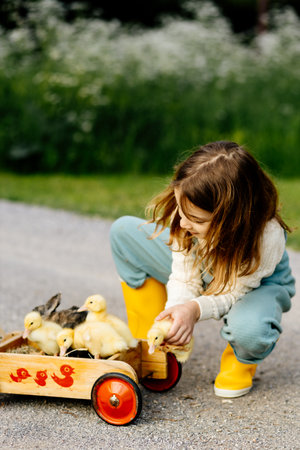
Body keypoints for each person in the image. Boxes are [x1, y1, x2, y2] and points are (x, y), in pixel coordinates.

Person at [110, 141, 295, 398]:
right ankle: (151, 343)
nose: (183, 222)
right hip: (206, 267)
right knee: (124, 232)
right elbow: (184, 276)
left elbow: (231, 294)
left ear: (232, 219)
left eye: (196, 219)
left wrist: (194, 310)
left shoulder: (266, 237)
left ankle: (241, 360)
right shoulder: (187, 217)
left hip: (251, 287)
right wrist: (175, 314)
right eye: (181, 211)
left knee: (250, 330)